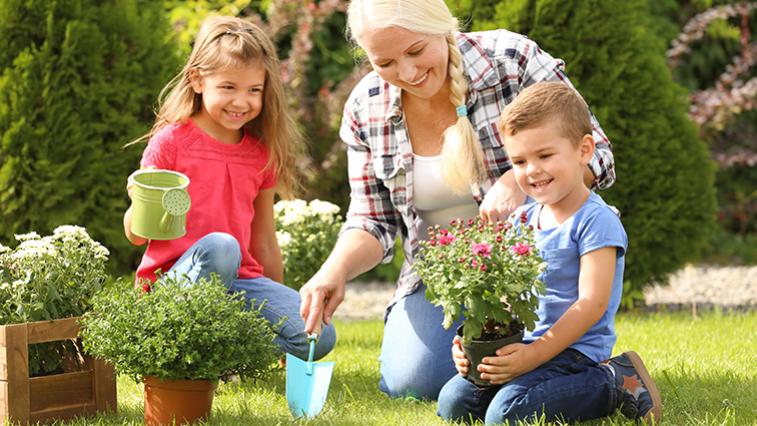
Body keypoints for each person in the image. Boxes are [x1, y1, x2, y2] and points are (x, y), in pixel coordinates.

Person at [300, 0, 616, 399]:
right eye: (386, 62)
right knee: (413, 383)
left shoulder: (510, 61)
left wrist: (517, 182)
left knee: (517, 362)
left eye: (416, 51)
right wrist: (335, 270)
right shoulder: (366, 108)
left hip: (532, 267)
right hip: (442, 277)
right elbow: (372, 220)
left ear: (441, 26)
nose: (408, 73)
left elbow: (599, 154)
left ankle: (594, 376)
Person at [436, 82, 661, 424]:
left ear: (584, 150)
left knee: (506, 416)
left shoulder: (595, 221)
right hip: (524, 343)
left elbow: (592, 304)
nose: (532, 171)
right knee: (453, 403)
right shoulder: (523, 219)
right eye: (519, 161)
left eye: (544, 156)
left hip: (574, 352)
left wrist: (534, 356)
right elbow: (506, 299)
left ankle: (614, 382)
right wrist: (473, 342)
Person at [123, 16, 335, 361]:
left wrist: (281, 314)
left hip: (239, 285)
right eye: (228, 87)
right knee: (222, 247)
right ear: (197, 80)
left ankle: (219, 352)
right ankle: (171, 334)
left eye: (254, 90)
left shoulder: (259, 155)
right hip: (174, 283)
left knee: (317, 336)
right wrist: (140, 199)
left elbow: (264, 241)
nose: (242, 101)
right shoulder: (172, 143)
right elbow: (135, 235)